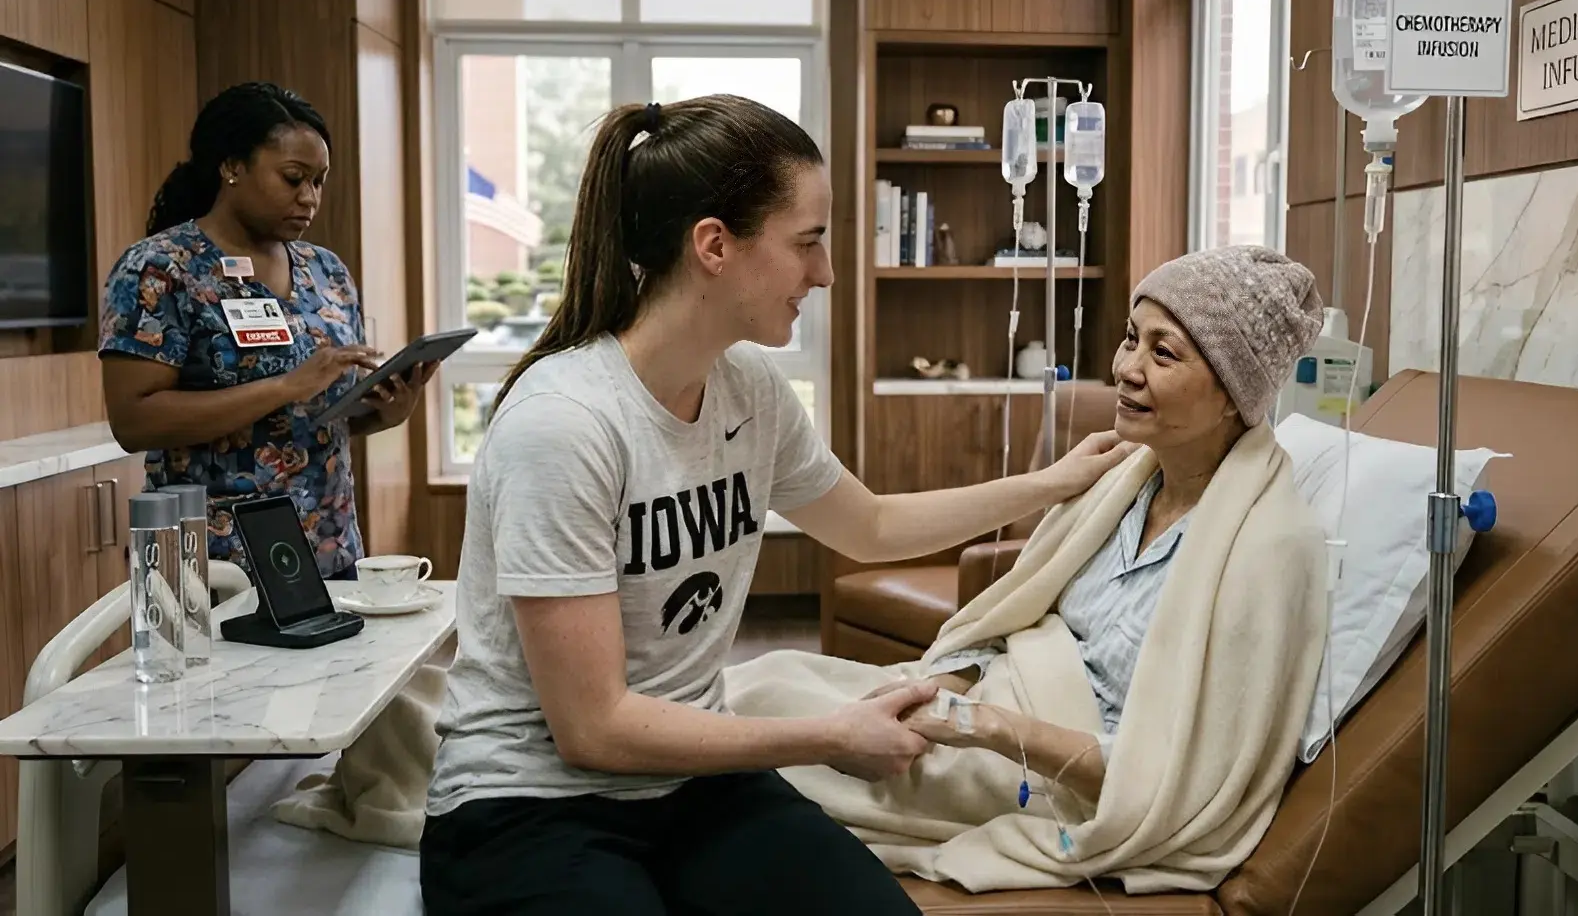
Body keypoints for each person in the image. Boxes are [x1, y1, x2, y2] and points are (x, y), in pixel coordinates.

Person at [419, 94, 1137, 916]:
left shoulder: (750, 389)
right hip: (528, 801)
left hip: (692, 786)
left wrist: (1052, 485)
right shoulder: (564, 425)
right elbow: (596, 730)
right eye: (808, 242)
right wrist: (831, 736)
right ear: (715, 246)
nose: (826, 272)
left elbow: (868, 527)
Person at [723, 245, 1331, 893]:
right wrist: (937, 686)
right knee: (765, 678)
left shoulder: (1269, 549)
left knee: (765, 728)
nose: (1126, 368)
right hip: (986, 699)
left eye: (1164, 353)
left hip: (1050, 772)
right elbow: (1016, 615)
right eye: (1131, 338)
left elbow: (1173, 784)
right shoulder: (1124, 482)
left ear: (1234, 396)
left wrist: (981, 727)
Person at [98, 82, 431, 581]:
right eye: (293, 178)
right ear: (232, 167)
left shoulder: (327, 272)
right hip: (219, 563)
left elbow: (306, 422)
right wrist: (283, 386)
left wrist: (382, 414)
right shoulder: (161, 269)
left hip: (329, 549)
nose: (309, 198)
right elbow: (133, 422)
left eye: (319, 181)